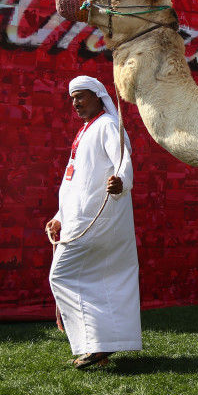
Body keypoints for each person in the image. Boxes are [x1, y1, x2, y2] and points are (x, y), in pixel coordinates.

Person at [45, 75, 141, 369]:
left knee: (61, 276)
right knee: (96, 283)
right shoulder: (86, 130)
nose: (75, 103)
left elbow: (124, 159)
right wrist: (59, 217)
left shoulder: (109, 125)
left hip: (99, 219)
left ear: (99, 96)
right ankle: (99, 348)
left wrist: (121, 182)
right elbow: (74, 181)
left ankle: (96, 346)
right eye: (73, 98)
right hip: (77, 219)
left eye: (81, 96)